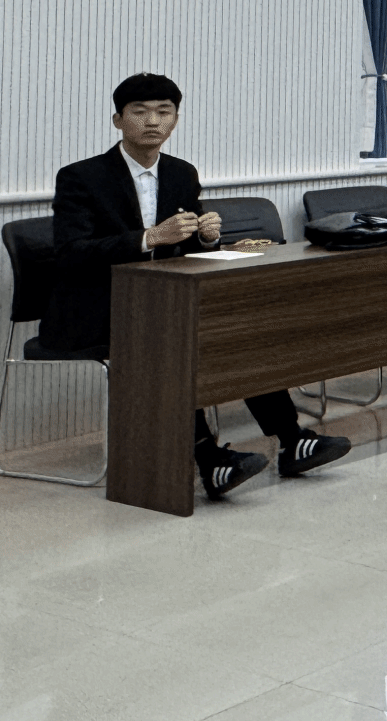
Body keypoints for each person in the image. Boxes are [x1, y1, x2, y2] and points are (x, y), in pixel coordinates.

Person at [48, 74, 350, 499]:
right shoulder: (81, 177)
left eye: (164, 112)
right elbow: (70, 252)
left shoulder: (181, 173)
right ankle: (209, 460)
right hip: (99, 308)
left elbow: (186, 248)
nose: (152, 121)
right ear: (118, 120)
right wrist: (149, 237)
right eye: (139, 112)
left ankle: (292, 440)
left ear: (175, 120)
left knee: (237, 332)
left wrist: (207, 238)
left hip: (166, 301)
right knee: (167, 340)